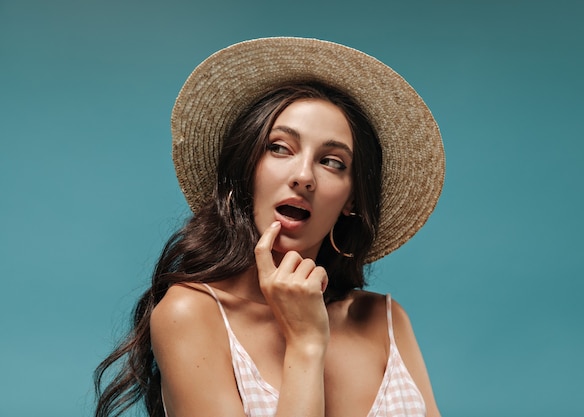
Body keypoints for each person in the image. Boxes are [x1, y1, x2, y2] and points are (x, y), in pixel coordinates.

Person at [94, 37, 445, 417]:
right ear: (247, 169)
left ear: (351, 201)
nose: (304, 176)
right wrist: (306, 343)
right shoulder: (191, 314)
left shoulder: (385, 320)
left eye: (332, 162)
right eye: (280, 148)